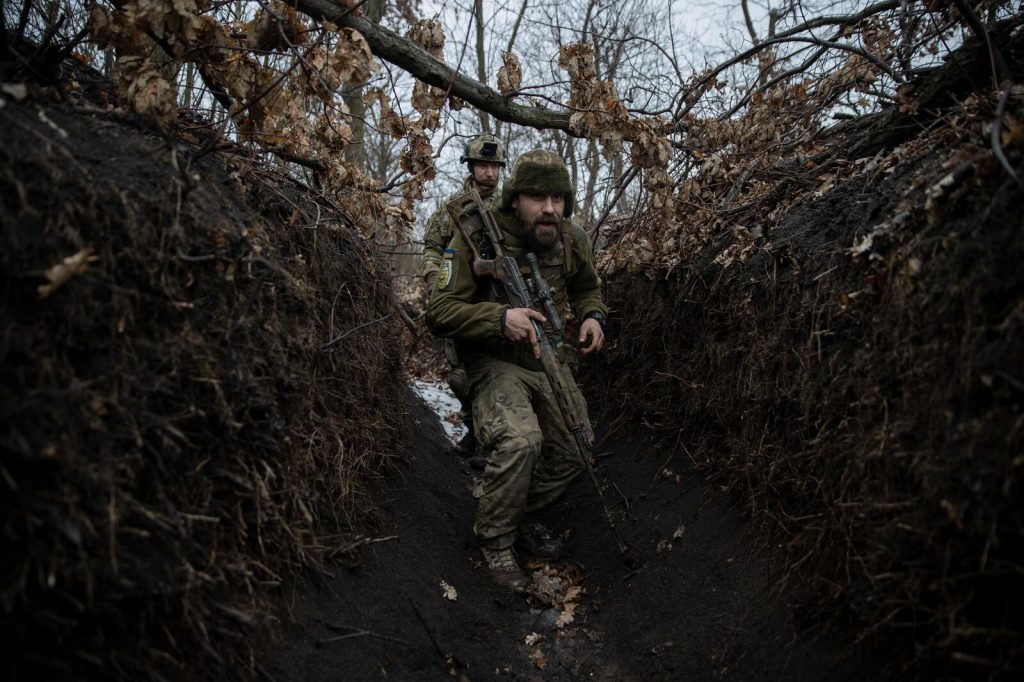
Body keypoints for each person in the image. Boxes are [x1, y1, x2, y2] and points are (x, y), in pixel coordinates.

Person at [425, 149, 608, 590]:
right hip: (494, 363)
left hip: (550, 360)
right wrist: (498, 319)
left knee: (577, 450)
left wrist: (592, 316)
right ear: (513, 199)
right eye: (537, 197)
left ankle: (512, 507)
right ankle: (496, 539)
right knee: (521, 441)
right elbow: (440, 310)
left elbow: (588, 288)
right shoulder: (477, 237)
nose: (549, 208)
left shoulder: (572, 239)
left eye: (558, 198)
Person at [420, 133, 507, 460]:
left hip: (500, 304)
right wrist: (435, 278)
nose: (489, 172)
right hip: (461, 303)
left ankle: (493, 440)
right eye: (483, 165)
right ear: (471, 167)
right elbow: (431, 248)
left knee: (496, 372)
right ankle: (474, 430)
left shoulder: (509, 205)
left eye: (494, 165)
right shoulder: (452, 208)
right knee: (460, 375)